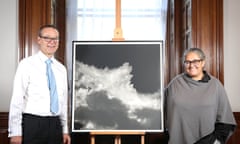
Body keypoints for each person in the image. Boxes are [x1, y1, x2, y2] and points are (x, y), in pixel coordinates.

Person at [8, 24, 71, 144]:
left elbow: (63, 103)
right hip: (33, 124)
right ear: (39, 40)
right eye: (47, 38)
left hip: (55, 124)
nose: (52, 42)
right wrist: (15, 132)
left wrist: (65, 130)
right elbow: (17, 99)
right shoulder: (26, 65)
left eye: (55, 39)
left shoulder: (61, 69)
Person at [165, 48, 236, 144]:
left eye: (195, 61)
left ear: (203, 62)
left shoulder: (215, 85)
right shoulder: (174, 84)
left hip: (208, 141)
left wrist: (215, 141)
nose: (191, 65)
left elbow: (225, 121)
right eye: (187, 62)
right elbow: (160, 109)